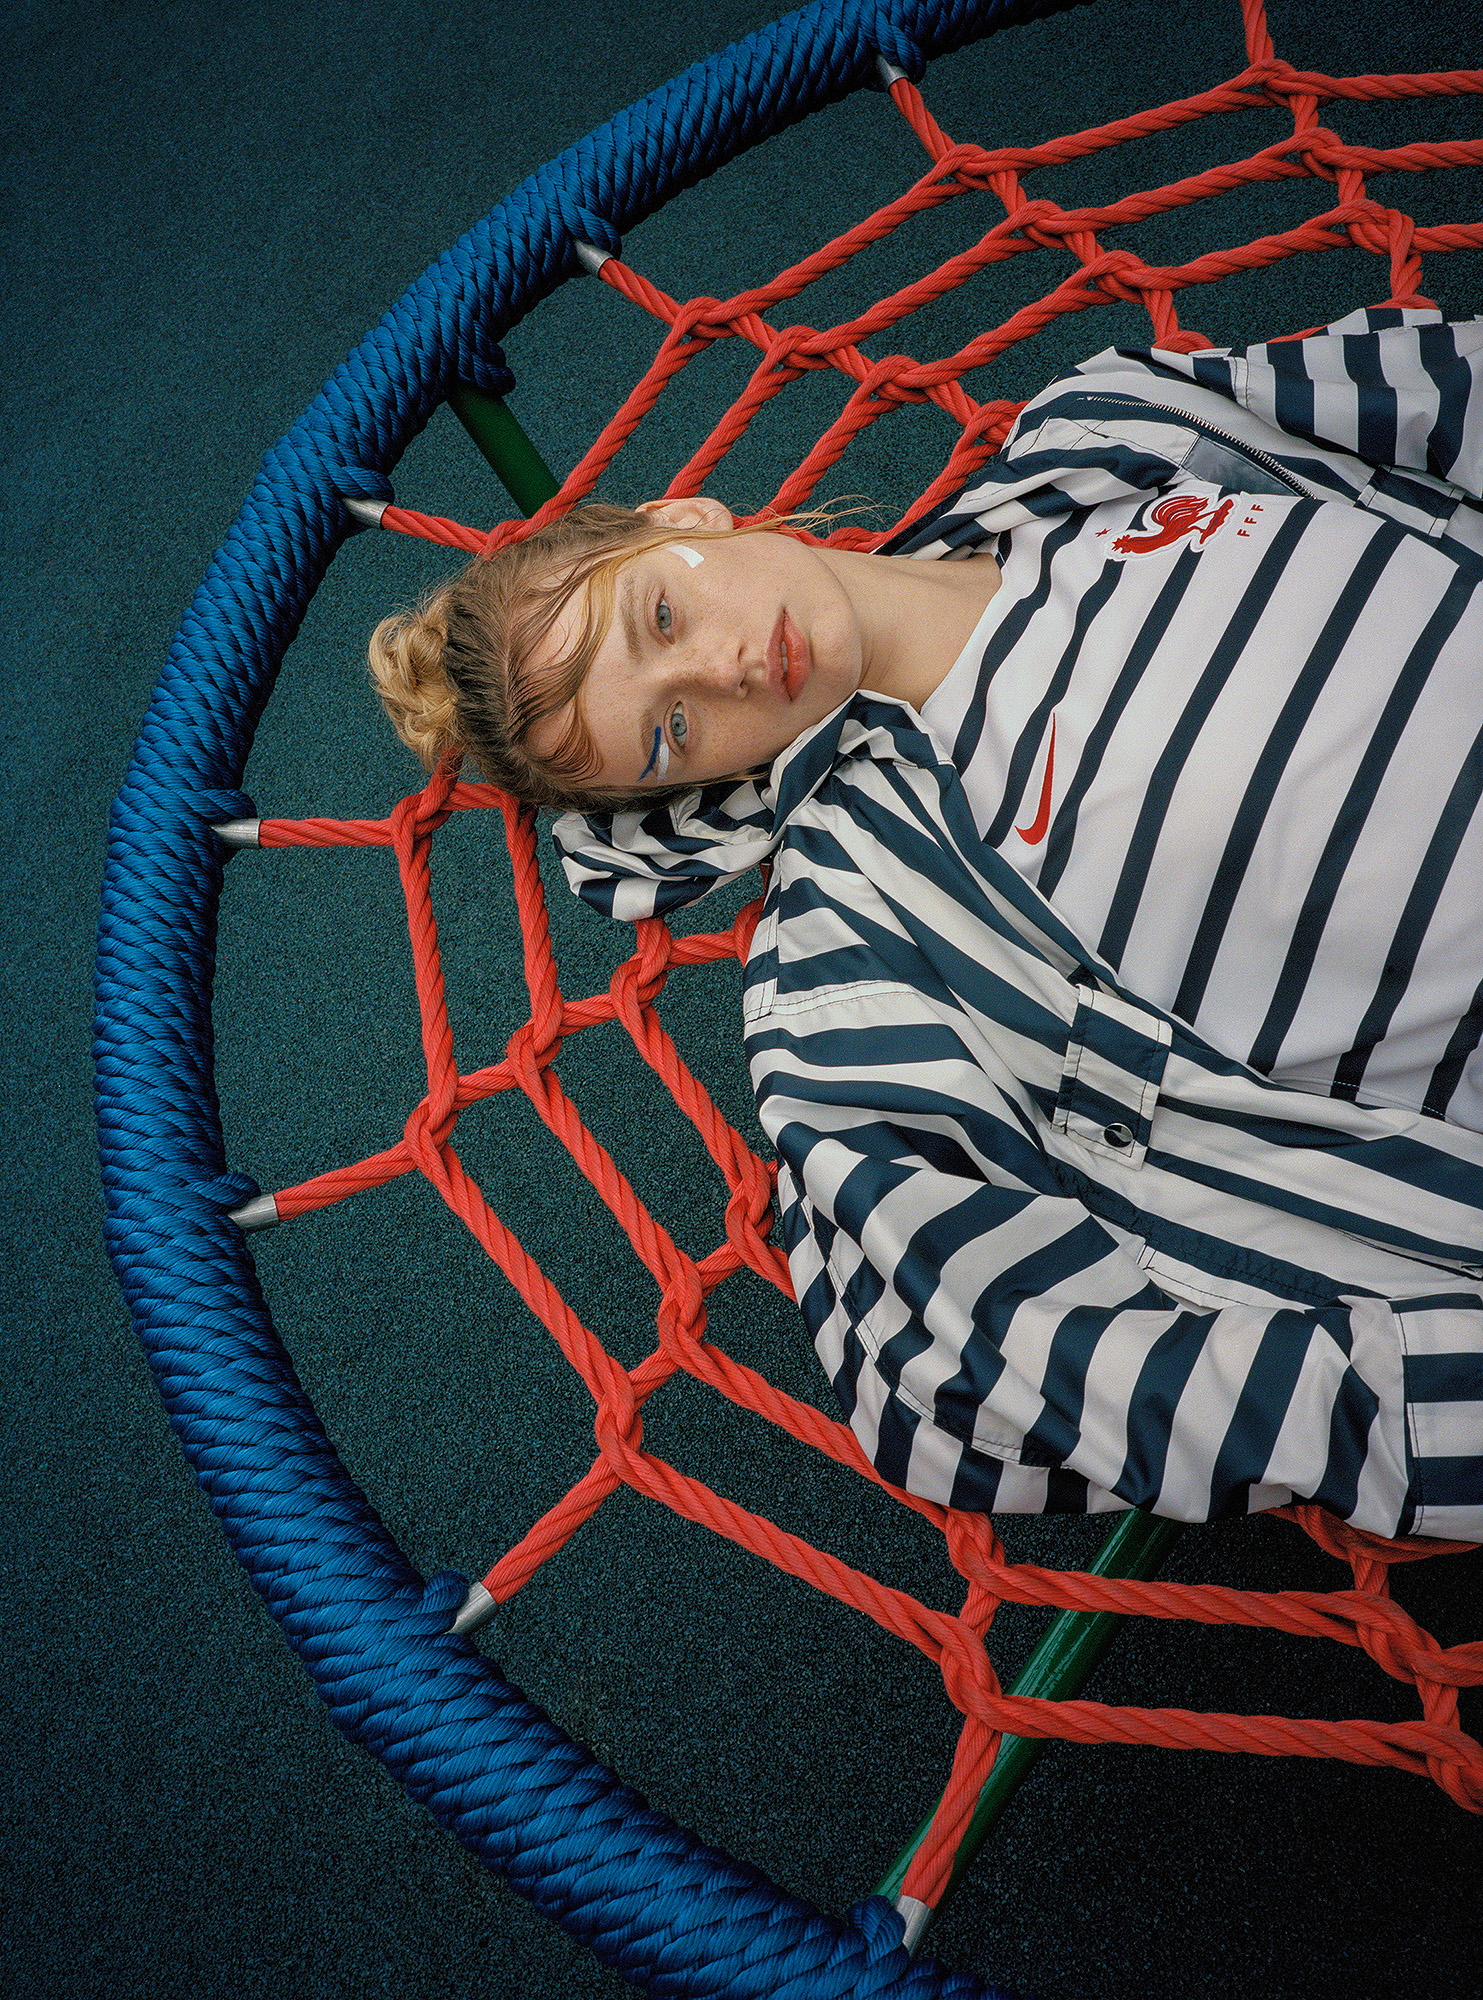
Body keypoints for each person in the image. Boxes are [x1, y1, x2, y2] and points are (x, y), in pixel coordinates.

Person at [371, 306, 1483, 1540]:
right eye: (670, 731)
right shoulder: (863, 924)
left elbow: (1433, 391)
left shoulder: (1109, 429)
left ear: (683, 519)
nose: (723, 670)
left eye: (661, 619)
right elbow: (938, 1359)